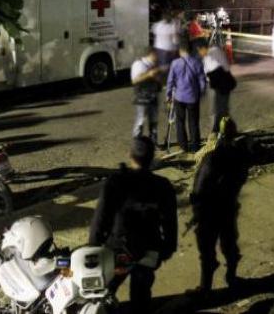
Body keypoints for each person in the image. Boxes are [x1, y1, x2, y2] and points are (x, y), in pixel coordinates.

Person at [89, 137, 178, 314]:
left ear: (129, 155)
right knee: (141, 296)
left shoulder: (115, 182)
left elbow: (101, 219)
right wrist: (167, 249)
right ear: (153, 158)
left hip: (118, 250)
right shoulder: (163, 186)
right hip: (149, 250)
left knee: (104, 294)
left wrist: (93, 248)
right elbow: (170, 223)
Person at [190, 117, 249, 292]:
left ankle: (205, 287)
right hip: (229, 208)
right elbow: (241, 179)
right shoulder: (240, 155)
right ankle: (232, 277)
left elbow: (199, 187)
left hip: (210, 212)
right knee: (230, 244)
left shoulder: (211, 157)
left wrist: (196, 211)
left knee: (207, 250)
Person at [166, 40, 207, 153]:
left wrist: (168, 94)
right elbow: (202, 80)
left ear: (181, 50)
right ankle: (195, 147)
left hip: (179, 97)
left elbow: (170, 81)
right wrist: (202, 93)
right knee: (193, 122)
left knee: (180, 122)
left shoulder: (175, 63)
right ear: (190, 50)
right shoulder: (197, 62)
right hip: (193, 98)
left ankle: (183, 146)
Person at [196, 38, 237, 134]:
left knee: (221, 109)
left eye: (199, 50)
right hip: (213, 85)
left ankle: (223, 131)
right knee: (216, 110)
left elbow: (226, 67)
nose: (199, 53)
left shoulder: (215, 51)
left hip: (223, 84)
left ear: (203, 48)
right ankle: (221, 130)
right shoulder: (205, 57)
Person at [130, 47, 162, 144]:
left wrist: (158, 80)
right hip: (142, 98)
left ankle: (153, 143)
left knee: (154, 122)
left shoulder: (155, 65)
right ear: (151, 54)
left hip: (153, 97)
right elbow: (134, 80)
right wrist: (149, 75)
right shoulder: (138, 64)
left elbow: (159, 82)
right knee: (140, 121)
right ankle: (137, 143)